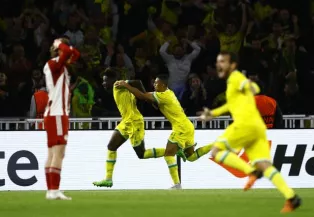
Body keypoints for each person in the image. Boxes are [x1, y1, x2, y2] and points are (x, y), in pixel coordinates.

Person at [198, 51, 301, 213]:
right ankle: (292, 198)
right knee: (265, 165)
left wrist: (249, 86)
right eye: (218, 61)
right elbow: (231, 105)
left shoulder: (235, 77)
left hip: (244, 125)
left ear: (232, 65)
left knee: (216, 151)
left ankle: (251, 172)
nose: (219, 64)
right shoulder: (232, 82)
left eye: (223, 61)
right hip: (257, 127)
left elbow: (253, 87)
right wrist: (213, 114)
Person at [115, 75, 213, 189]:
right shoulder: (168, 93)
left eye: (157, 83)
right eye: (154, 83)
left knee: (168, 155)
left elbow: (142, 96)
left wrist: (126, 86)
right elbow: (148, 97)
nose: (154, 85)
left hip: (181, 128)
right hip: (187, 126)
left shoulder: (164, 96)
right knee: (191, 157)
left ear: (163, 85)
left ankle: (177, 184)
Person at [93, 80, 166, 188]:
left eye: (105, 80)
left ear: (112, 78)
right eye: (103, 81)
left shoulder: (117, 84)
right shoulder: (120, 90)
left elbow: (137, 82)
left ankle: (172, 150)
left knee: (141, 154)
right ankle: (108, 179)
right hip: (126, 122)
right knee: (111, 146)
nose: (104, 83)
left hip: (134, 122)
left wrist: (146, 96)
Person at [43, 38, 80, 200]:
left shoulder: (59, 66)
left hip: (55, 113)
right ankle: (53, 190)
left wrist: (63, 46)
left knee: (54, 153)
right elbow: (69, 52)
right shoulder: (54, 64)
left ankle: (51, 190)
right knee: (58, 152)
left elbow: (76, 54)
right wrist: (59, 43)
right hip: (57, 113)